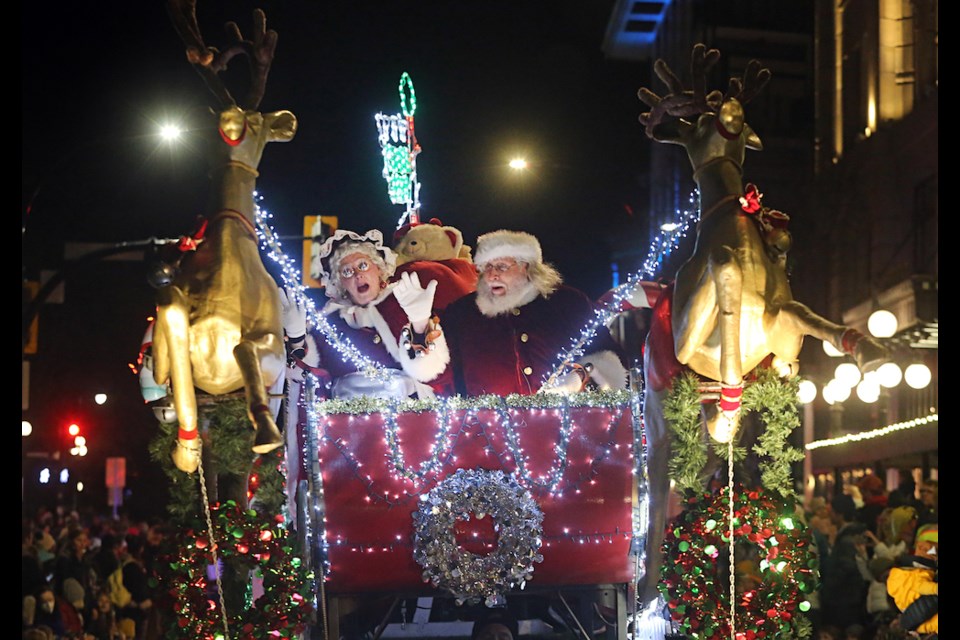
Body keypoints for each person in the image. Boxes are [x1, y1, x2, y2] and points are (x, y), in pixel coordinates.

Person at [440, 229, 628, 396]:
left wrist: (581, 375)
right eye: (486, 267)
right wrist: (420, 324)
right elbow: (440, 373)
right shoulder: (463, 313)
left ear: (526, 267)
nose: (491, 275)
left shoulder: (569, 304)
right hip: (485, 432)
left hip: (565, 427)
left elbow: (609, 356)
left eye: (501, 267)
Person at [280, 228, 449, 401]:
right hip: (347, 416)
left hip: (406, 409)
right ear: (340, 283)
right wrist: (296, 338)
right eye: (347, 271)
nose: (358, 275)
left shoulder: (402, 302)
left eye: (363, 265)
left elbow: (434, 374)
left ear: (379, 270)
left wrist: (420, 322)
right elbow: (308, 378)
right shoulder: (330, 320)